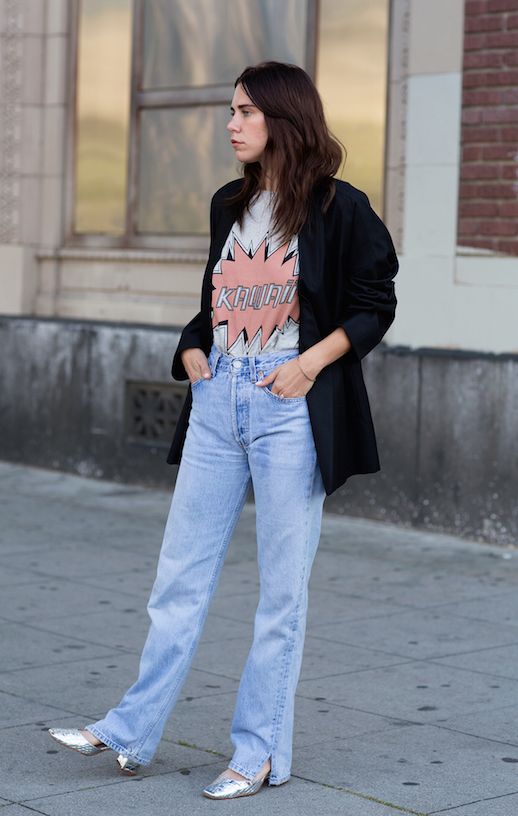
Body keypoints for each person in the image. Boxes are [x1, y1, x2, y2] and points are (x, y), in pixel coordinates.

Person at [48, 60, 398, 800]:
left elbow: (374, 305)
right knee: (178, 579)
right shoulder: (226, 204)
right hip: (218, 402)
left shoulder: (340, 208)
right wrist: (191, 346)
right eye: (230, 111)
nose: (231, 123)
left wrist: (309, 365)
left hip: (287, 407)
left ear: (283, 116)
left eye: (244, 110)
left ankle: (259, 750)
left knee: (281, 593)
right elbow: (214, 301)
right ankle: (132, 730)